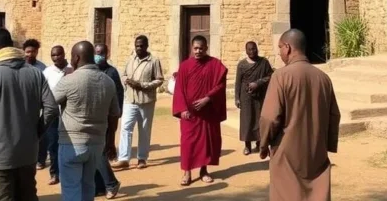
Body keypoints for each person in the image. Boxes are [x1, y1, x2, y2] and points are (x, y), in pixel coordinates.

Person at [0, 28, 58, 201]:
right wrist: (36, 133)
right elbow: (51, 108)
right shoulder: (35, 73)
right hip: (27, 154)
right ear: (12, 46)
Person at [259, 29, 341, 201]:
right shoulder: (324, 78)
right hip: (316, 151)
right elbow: (334, 115)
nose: (280, 52)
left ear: (287, 47)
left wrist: (264, 144)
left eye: (280, 47)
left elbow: (269, 117)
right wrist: (328, 145)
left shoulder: (280, 76)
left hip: (286, 152)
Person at [53, 41, 120, 201]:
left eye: (71, 57)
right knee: (88, 187)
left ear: (76, 58)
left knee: (71, 190)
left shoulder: (69, 80)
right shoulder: (108, 82)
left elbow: (49, 103)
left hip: (72, 144)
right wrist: (110, 143)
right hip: (96, 145)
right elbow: (114, 115)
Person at [172, 35, 227, 186]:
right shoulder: (185, 66)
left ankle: (204, 170)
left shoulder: (214, 64)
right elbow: (179, 89)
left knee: (206, 143)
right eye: (195, 48)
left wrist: (208, 98)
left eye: (201, 48)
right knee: (188, 142)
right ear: (191, 48)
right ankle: (187, 172)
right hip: (189, 114)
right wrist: (182, 109)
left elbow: (220, 84)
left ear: (206, 48)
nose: (198, 51)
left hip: (207, 112)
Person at [115, 35, 164, 170]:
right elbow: (124, 74)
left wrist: (142, 85)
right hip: (130, 100)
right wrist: (127, 81)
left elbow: (159, 79)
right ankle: (124, 158)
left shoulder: (154, 61)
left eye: (142, 46)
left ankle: (142, 158)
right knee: (125, 127)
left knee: (144, 130)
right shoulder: (130, 59)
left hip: (146, 101)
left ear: (147, 46)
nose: (139, 48)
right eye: (137, 46)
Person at [93, 44, 123, 198]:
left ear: (107, 53)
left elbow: (119, 94)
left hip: (106, 119)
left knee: (99, 152)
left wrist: (117, 114)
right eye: (96, 53)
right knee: (94, 153)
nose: (98, 55)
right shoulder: (90, 70)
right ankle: (99, 186)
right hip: (93, 118)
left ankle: (111, 183)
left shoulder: (112, 72)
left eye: (101, 53)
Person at [235, 41, 274, 155]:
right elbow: (238, 82)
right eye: (250, 49)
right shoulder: (242, 65)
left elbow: (270, 75)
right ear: (246, 51)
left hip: (260, 95)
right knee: (247, 120)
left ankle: (259, 144)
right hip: (246, 96)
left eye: (254, 49)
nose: (252, 51)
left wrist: (258, 83)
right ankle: (247, 146)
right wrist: (237, 98)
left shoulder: (264, 62)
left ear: (257, 49)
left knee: (259, 119)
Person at [41, 45, 73, 183]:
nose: (56, 58)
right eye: (53, 55)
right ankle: (55, 174)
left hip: (69, 114)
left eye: (58, 55)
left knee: (70, 144)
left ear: (64, 54)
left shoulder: (72, 70)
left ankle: (68, 173)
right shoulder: (47, 72)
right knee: (53, 144)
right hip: (53, 114)